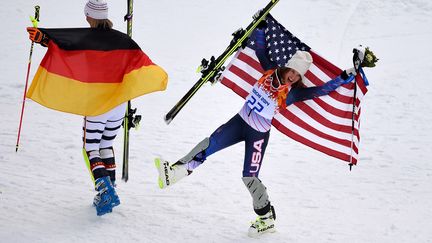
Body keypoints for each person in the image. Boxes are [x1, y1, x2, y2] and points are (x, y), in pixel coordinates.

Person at [155, 25, 364, 237]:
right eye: (293, 71)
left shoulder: (292, 94)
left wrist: (344, 76)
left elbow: (320, 91)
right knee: (209, 144)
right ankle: (175, 172)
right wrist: (260, 26)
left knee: (249, 177)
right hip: (239, 122)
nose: (293, 76)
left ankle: (266, 218)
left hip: (258, 135)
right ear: (287, 67)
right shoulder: (269, 70)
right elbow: (261, 50)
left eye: (298, 75)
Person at [27, 0, 124, 216]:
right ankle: (111, 187)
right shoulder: (123, 39)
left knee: (91, 148)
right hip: (119, 104)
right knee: (107, 144)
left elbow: (64, 44)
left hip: (98, 103)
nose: (85, 18)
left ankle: (104, 189)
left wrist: (42, 37)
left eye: (86, 14)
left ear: (91, 16)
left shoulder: (85, 39)